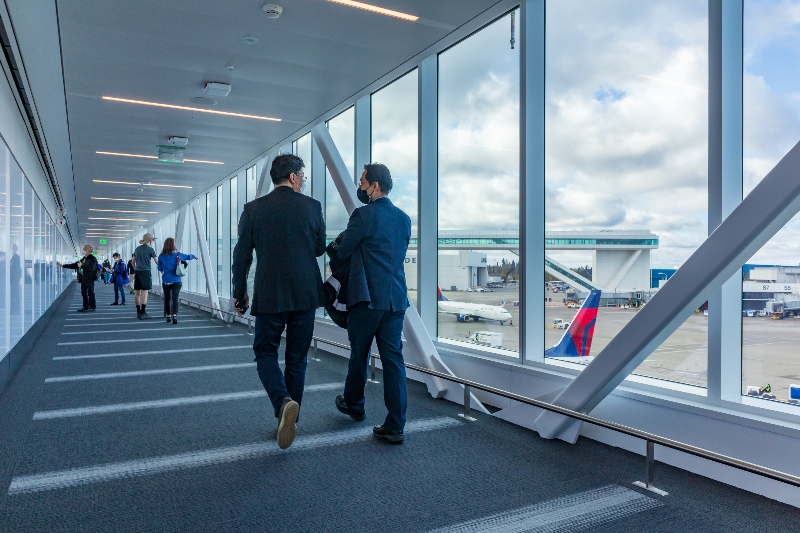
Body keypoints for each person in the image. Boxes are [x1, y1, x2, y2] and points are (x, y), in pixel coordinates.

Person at [232, 154, 325, 450]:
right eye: (304, 176)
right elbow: (320, 249)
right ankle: (290, 422)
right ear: (295, 177)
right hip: (305, 292)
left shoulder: (253, 210)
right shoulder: (312, 207)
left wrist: (239, 292)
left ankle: (282, 401)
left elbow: (242, 256)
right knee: (297, 359)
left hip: (270, 292)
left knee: (265, 352)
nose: (304, 181)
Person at [334, 163, 411, 444]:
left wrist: (338, 245)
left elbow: (343, 253)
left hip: (366, 299)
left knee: (360, 354)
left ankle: (354, 404)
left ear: (374, 186)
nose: (360, 187)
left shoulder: (362, 215)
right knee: (394, 362)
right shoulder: (404, 219)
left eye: (362, 182)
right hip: (395, 301)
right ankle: (396, 425)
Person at [157, 237, 196, 324]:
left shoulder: (161, 256)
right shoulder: (177, 254)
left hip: (166, 280)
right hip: (176, 280)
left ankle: (168, 316)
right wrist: (194, 256)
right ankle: (174, 316)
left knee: (167, 298)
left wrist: (165, 269)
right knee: (175, 298)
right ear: (173, 245)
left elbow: (159, 268)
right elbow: (186, 257)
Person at [57, 244, 100, 312]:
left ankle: (92, 306)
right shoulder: (84, 259)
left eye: (84, 250)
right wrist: (63, 266)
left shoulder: (93, 259)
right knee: (84, 292)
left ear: (89, 250)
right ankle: (85, 307)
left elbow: (91, 268)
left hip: (89, 278)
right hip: (83, 278)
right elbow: (75, 265)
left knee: (90, 292)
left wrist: (82, 265)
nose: (83, 251)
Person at [133, 233, 158, 319]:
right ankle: (143, 312)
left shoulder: (137, 249)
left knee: (137, 292)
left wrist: (135, 267)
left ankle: (138, 312)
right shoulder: (150, 249)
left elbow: (132, 261)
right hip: (146, 271)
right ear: (150, 240)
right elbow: (156, 261)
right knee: (145, 292)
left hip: (137, 271)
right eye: (152, 240)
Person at [10, 243, 21, 315]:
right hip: (14, 277)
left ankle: (16, 307)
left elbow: (15, 267)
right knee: (14, 292)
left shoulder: (16, 257)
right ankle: (14, 307)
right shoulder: (13, 257)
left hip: (14, 277)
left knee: (15, 292)